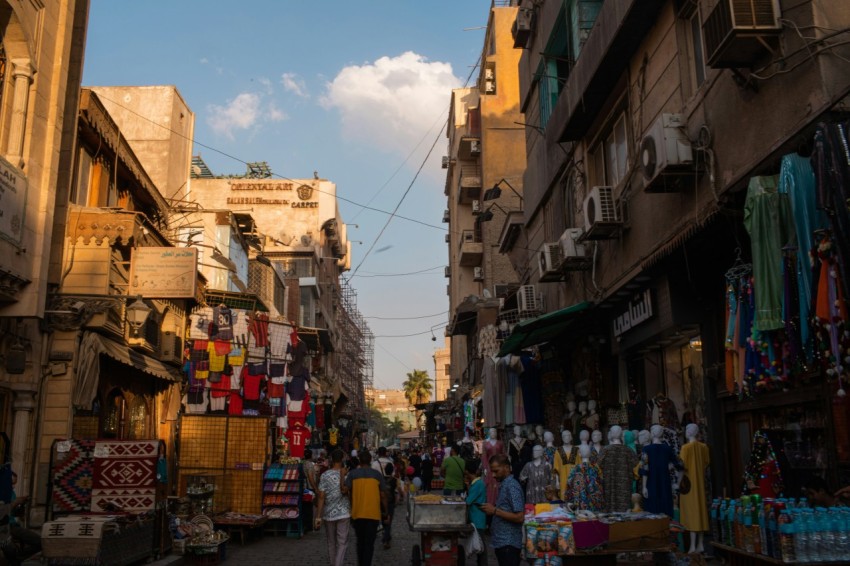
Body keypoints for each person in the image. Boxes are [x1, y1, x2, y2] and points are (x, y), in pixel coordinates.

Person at [344, 450, 389, 566]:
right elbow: (383, 495)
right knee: (369, 543)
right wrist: (386, 511)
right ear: (370, 460)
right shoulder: (377, 475)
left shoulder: (353, 474)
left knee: (360, 542)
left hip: (357, 513)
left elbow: (345, 490)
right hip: (373, 514)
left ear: (359, 460)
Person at [480, 454, 525, 566]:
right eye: (492, 472)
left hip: (509, 543)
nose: (494, 475)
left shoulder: (512, 486)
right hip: (502, 543)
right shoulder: (504, 485)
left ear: (506, 467)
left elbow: (519, 517)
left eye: (496, 471)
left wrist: (494, 511)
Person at [315, 449, 351, 566]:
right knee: (342, 542)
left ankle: (333, 563)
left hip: (328, 513)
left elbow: (321, 496)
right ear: (342, 460)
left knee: (331, 542)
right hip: (344, 512)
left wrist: (318, 517)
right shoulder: (347, 474)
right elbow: (348, 492)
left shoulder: (325, 475)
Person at [371, 446, 397, 550]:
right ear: (385, 453)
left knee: (380, 513)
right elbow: (393, 476)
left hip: (378, 492)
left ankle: (382, 532)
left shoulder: (374, 464)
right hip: (389, 492)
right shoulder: (390, 463)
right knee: (389, 515)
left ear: (378, 453)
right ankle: (386, 536)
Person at [465, 460, 488, 566]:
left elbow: (468, 501)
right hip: (477, 517)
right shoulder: (477, 483)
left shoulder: (478, 484)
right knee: (480, 544)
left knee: (481, 546)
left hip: (477, 518)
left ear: (468, 472)